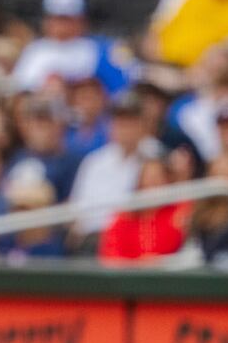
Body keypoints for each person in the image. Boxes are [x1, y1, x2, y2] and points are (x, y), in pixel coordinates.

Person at [67, 92, 159, 240]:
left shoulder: (157, 157)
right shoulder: (94, 161)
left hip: (135, 238)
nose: (125, 127)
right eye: (120, 120)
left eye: (131, 120)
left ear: (144, 123)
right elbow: (75, 211)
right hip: (91, 240)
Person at [11, 0, 130, 94]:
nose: (62, 26)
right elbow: (20, 91)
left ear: (82, 20)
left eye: (67, 19)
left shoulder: (102, 50)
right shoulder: (34, 51)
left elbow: (120, 90)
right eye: (57, 19)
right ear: (46, 20)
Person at [98, 158, 186, 264]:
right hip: (128, 275)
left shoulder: (178, 212)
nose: (153, 184)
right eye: (149, 178)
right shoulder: (124, 217)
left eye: (158, 178)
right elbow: (111, 256)